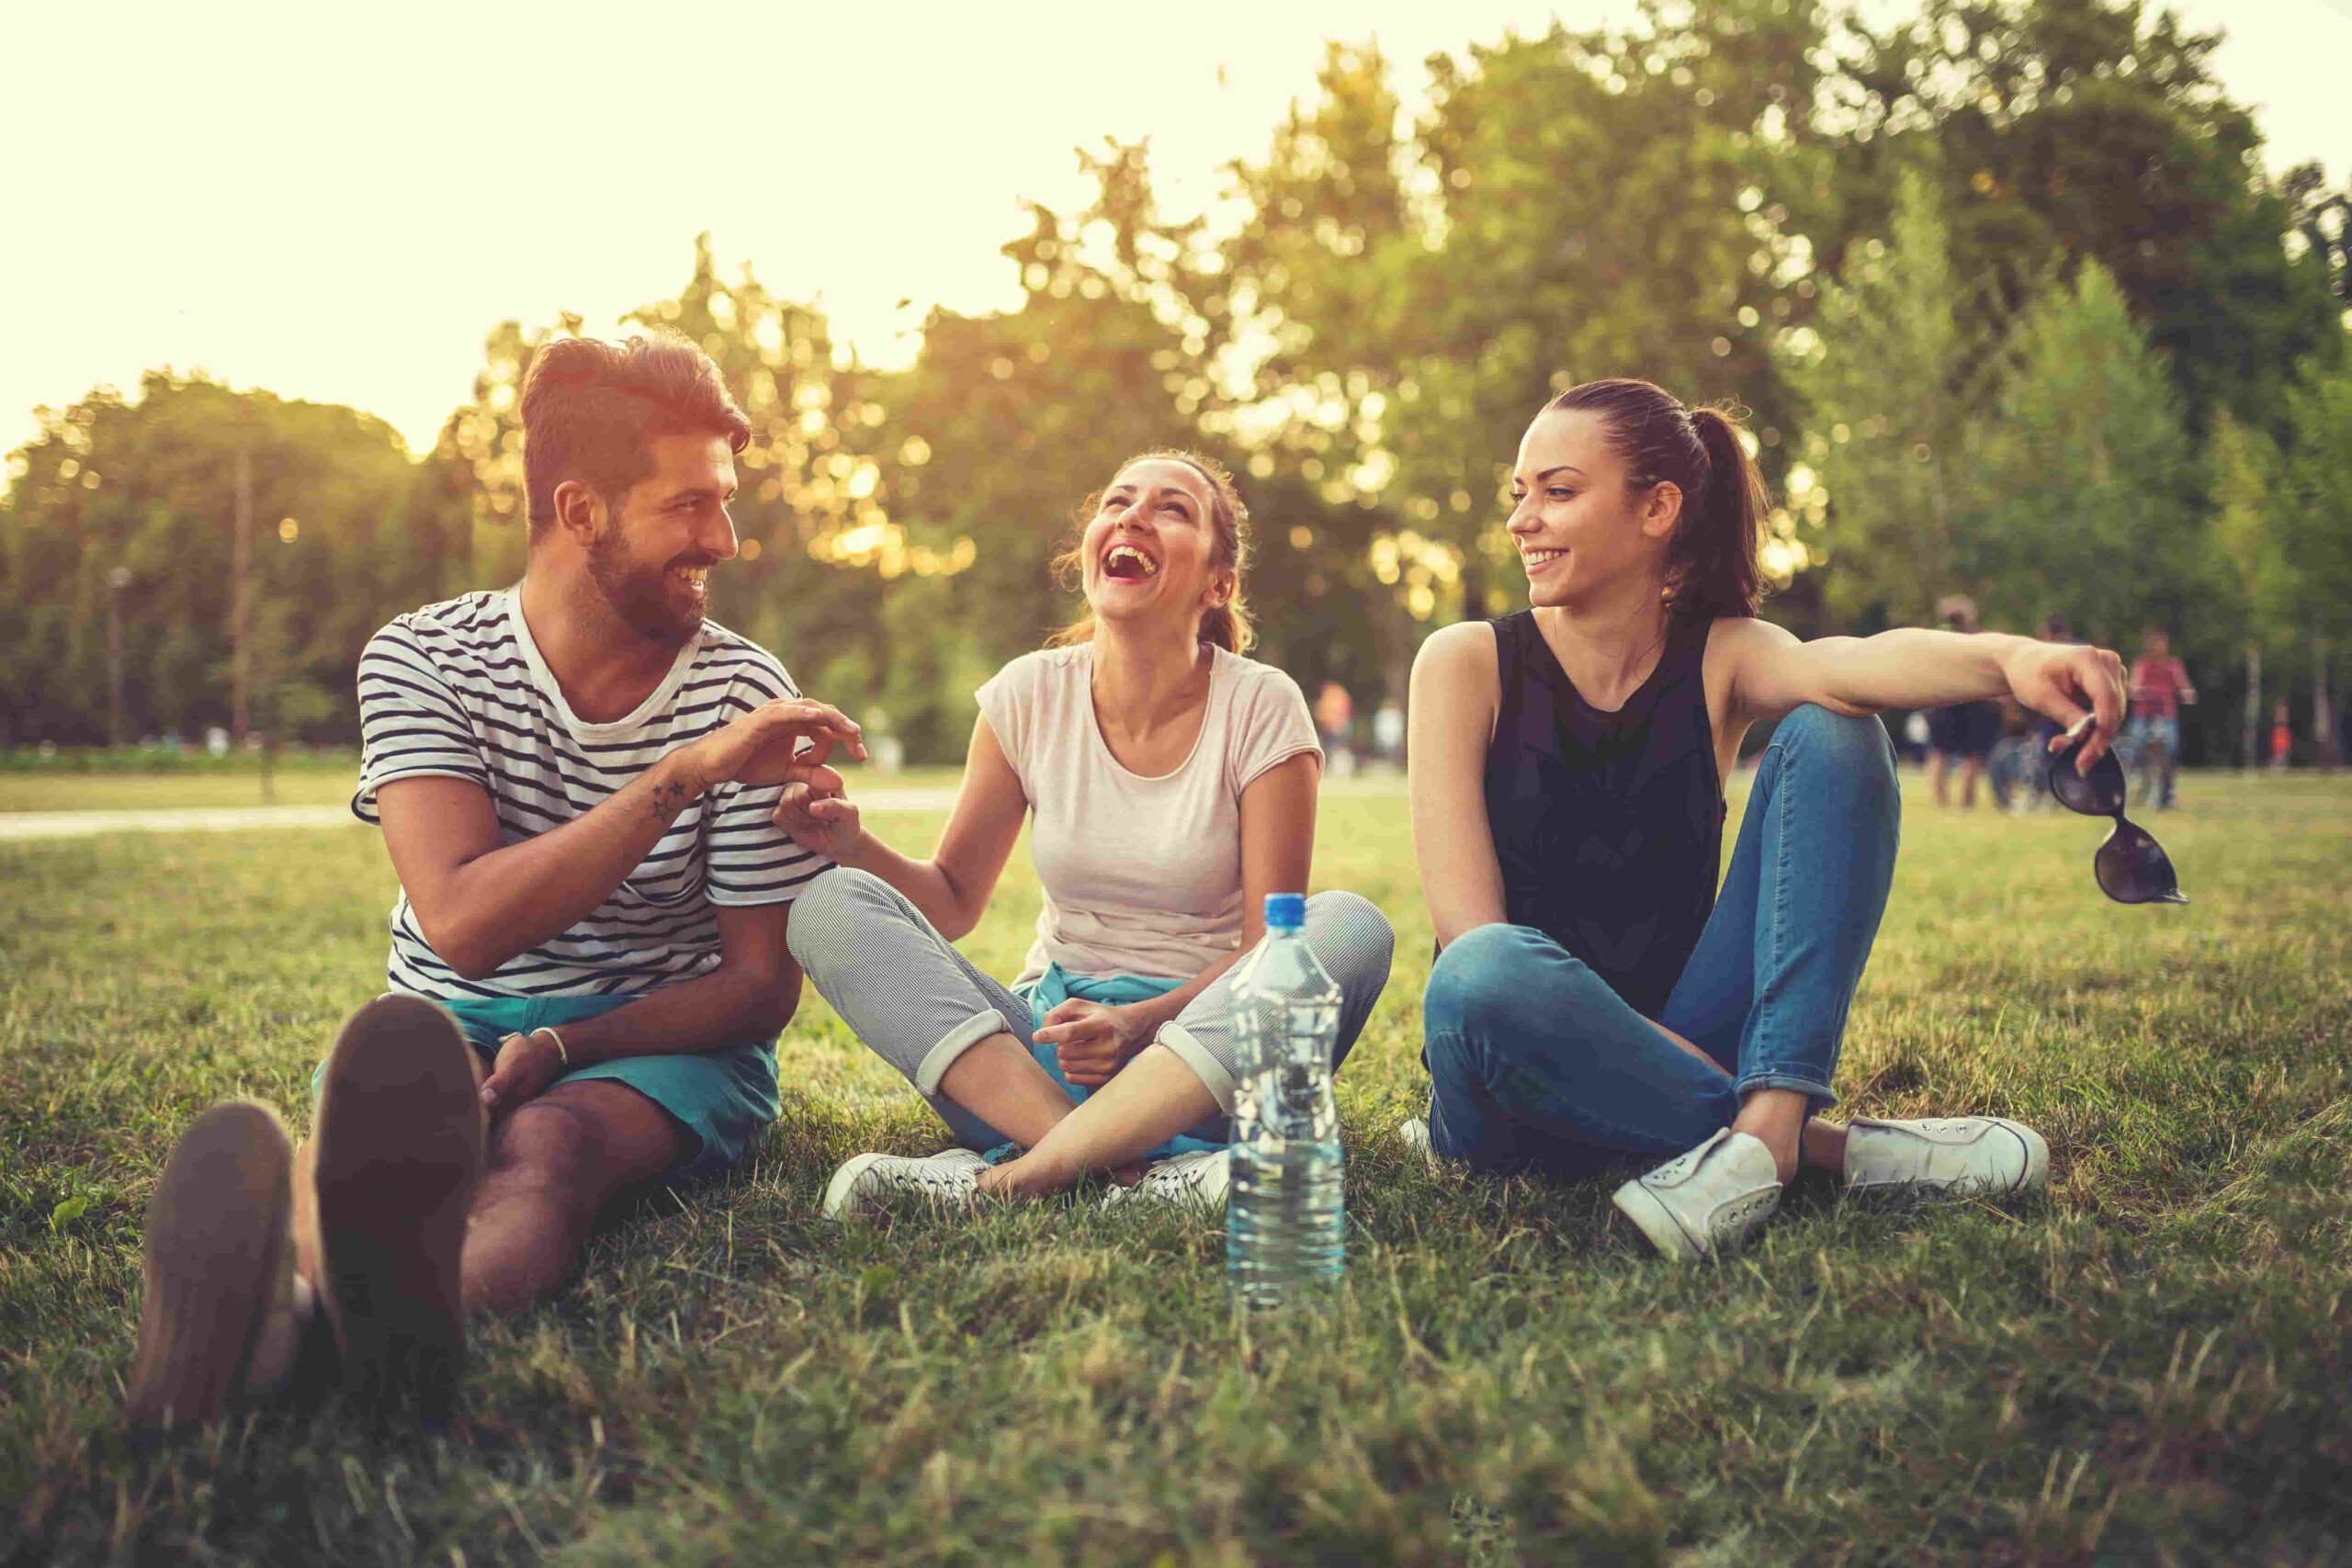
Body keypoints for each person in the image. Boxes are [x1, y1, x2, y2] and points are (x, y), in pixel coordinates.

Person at [125, 335, 862, 1428]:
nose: (727, 539)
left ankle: (296, 1341)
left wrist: (568, 1047)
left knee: (545, 1152)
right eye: (692, 506)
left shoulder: (746, 690)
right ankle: (316, 1324)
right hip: (445, 1018)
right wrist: (676, 779)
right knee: (381, 1145)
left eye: (726, 503)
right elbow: (462, 924)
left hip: (655, 1041)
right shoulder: (421, 659)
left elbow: (760, 987)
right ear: (580, 512)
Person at [1405, 378, 2126, 1263]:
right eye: (1520, 493)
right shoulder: (1463, 662)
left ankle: (1769, 1117)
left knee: (1838, 730)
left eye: (1557, 491)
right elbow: (1467, 937)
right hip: (1509, 1083)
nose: (1523, 519)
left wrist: (2012, 658)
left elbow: (1852, 664)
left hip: (1687, 1023)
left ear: (1658, 507)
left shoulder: (1722, 654)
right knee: (1481, 968)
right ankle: (1814, 1148)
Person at [776, 449, 1395, 1218]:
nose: (1134, 515)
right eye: (1119, 501)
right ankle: (1134, 1174)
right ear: (1092, 548)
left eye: (1172, 509)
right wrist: (850, 848)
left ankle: (1008, 1178)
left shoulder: (1263, 706)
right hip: (1037, 1064)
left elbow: (1264, 949)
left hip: (1206, 1062)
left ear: (1217, 584)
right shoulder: (1027, 694)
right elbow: (956, 898)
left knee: (1346, 926)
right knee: (829, 904)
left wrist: (1139, 1024)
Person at [1923, 596, 2003, 808]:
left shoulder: (1935, 638)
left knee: (1939, 752)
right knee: (1971, 754)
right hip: (1972, 699)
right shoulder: (1977, 637)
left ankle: (1941, 802)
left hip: (1942, 699)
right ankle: (1965, 802)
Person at [2126, 628, 2198, 807]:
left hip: (2166, 714)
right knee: (2136, 745)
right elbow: (2135, 683)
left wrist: (2188, 693)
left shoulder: (2173, 665)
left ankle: (2169, 790)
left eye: (2162, 644)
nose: (2159, 648)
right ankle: (2142, 781)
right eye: (2155, 644)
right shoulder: (2142, 665)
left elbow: (2183, 684)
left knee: (2171, 747)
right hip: (2144, 713)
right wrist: (2135, 691)